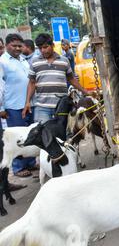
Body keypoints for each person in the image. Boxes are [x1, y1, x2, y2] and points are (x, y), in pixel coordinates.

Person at [22, 33, 89, 124]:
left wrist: (86, 92)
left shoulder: (64, 61)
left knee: (62, 135)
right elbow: (32, 83)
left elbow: (71, 79)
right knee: (43, 134)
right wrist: (27, 102)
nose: (43, 50)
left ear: (52, 45)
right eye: (40, 48)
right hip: (42, 107)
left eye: (45, 47)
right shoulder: (35, 62)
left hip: (61, 106)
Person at [0, 34, 36, 178]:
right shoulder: (2, 62)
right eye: (14, 45)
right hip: (12, 106)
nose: (17, 48)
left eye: (19, 46)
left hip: (28, 104)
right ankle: (18, 167)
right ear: (7, 45)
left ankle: (31, 162)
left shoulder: (23, 60)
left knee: (29, 135)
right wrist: (1, 108)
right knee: (15, 138)